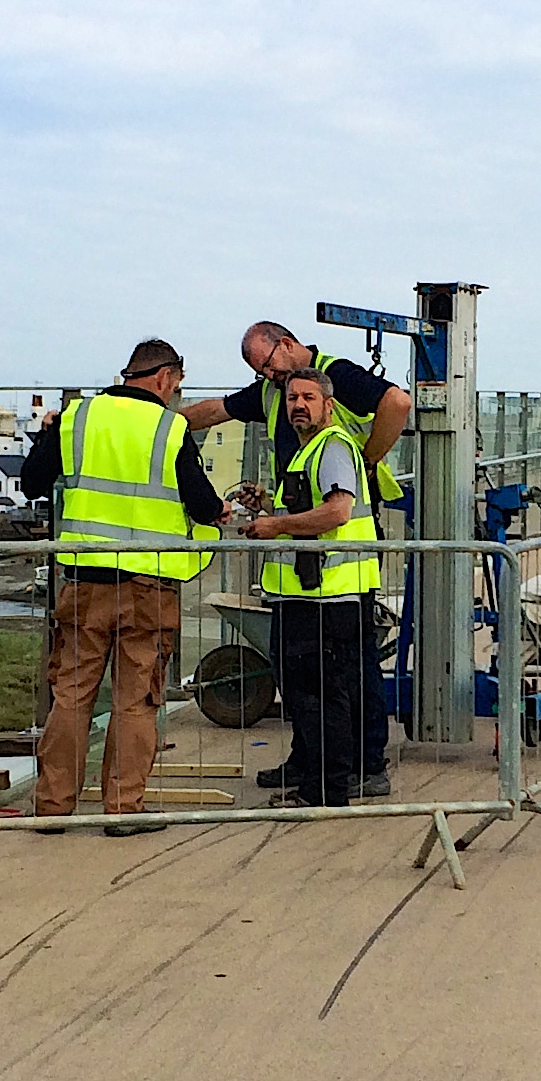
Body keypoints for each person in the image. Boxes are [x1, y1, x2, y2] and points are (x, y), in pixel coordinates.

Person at [182, 322, 413, 797]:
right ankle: (313, 760)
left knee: (346, 674)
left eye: (267, 366)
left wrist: (366, 463)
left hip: (338, 569)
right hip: (309, 569)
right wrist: (161, 423)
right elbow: (217, 409)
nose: (273, 384)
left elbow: (397, 402)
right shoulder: (275, 393)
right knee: (309, 681)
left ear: (286, 346)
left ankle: (360, 766)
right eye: (284, 392)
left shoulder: (334, 383)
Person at [19, 340, 224, 831]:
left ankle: (52, 808)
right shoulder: (170, 428)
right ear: (165, 376)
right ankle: (123, 809)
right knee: (136, 700)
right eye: (178, 383)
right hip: (148, 587)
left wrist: (45, 437)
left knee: (70, 695)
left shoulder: (75, 418)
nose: (177, 393)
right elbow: (203, 505)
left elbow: (30, 483)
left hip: (84, 582)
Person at [241, 369, 379, 807]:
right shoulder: (309, 453)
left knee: (322, 699)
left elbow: (337, 512)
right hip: (307, 595)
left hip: (326, 598)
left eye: (307, 397)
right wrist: (267, 504)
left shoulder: (333, 447)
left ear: (328, 405)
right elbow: (308, 509)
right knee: (311, 698)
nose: (298, 405)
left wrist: (273, 525)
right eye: (291, 398)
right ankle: (316, 781)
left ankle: (324, 791)